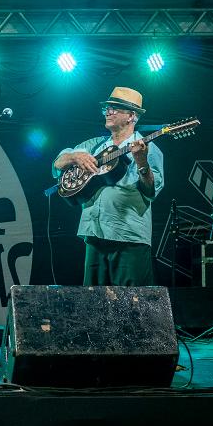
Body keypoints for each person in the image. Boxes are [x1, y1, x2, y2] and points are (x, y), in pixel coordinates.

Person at [52, 87, 164, 286]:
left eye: (115, 109)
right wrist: (74, 156)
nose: (108, 112)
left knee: (132, 300)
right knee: (94, 299)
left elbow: (151, 191)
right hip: (94, 234)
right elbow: (57, 164)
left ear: (131, 116)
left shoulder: (149, 149)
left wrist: (142, 162)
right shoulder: (95, 145)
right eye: (107, 108)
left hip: (129, 237)